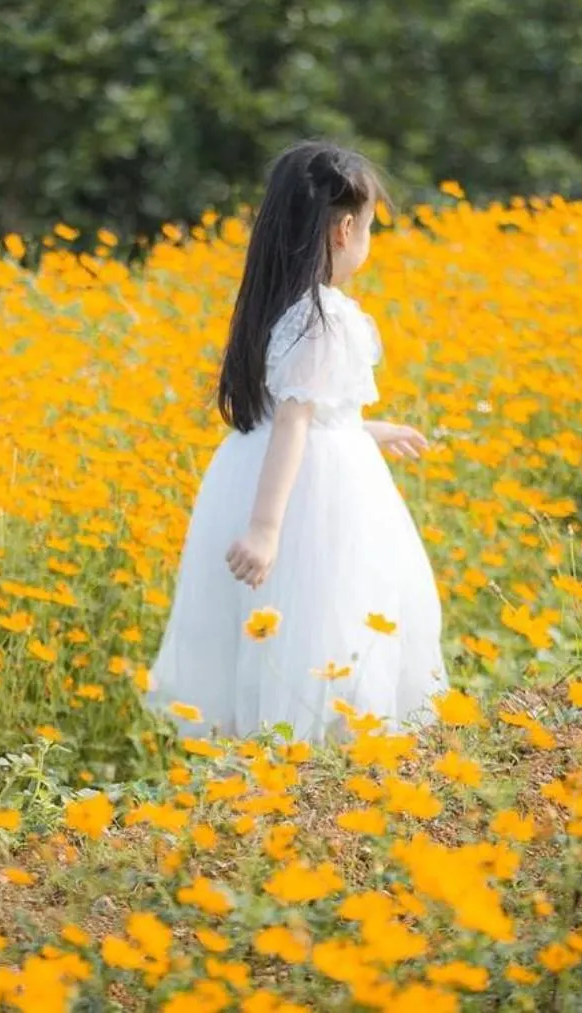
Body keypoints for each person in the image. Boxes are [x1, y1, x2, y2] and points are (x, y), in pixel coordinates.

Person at [147, 141, 447, 744]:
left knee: (280, 626)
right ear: (342, 230)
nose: (367, 240)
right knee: (325, 617)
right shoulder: (324, 317)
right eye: (367, 227)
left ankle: (278, 763)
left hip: (256, 472)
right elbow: (293, 423)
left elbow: (306, 411)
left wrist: (366, 429)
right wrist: (265, 530)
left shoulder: (278, 307)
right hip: (305, 497)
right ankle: (315, 760)